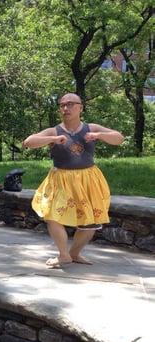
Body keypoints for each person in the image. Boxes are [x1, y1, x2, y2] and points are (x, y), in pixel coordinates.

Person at [23, 93, 124, 268]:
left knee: (90, 222)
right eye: (62, 105)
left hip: (88, 179)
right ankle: (63, 255)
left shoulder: (91, 128)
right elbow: (29, 142)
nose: (65, 108)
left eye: (70, 104)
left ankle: (74, 253)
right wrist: (53, 139)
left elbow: (119, 138)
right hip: (60, 179)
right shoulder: (54, 131)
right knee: (51, 216)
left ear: (80, 107)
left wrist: (99, 135)